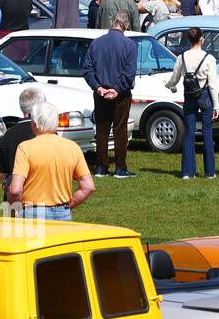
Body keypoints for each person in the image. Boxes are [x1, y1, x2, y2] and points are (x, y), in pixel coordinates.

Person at [7, 100, 94, 221]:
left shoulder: (25, 147)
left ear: (35, 124)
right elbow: (88, 187)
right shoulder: (73, 147)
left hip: (32, 212)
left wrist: (13, 211)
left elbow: (15, 190)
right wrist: (69, 205)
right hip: (62, 213)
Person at [82, 11, 138, 179]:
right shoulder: (129, 45)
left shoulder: (96, 43)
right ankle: (120, 167)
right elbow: (129, 73)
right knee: (120, 130)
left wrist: (98, 87)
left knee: (102, 130)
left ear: (112, 23)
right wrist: (116, 89)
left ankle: (101, 166)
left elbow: (87, 69)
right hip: (120, 94)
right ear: (125, 25)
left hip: (101, 93)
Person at [165, 27, 218, 179]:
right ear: (202, 39)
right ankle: (210, 172)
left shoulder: (182, 57)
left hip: (189, 96)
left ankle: (187, 172)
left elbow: (174, 79)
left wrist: (169, 85)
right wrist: (217, 106)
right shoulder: (209, 58)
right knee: (207, 132)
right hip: (205, 96)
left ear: (188, 39)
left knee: (189, 133)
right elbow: (213, 84)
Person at [0, 87, 41, 199]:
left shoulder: (7, 135)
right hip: (37, 194)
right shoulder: (42, 133)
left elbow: (2, 174)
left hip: (13, 195)